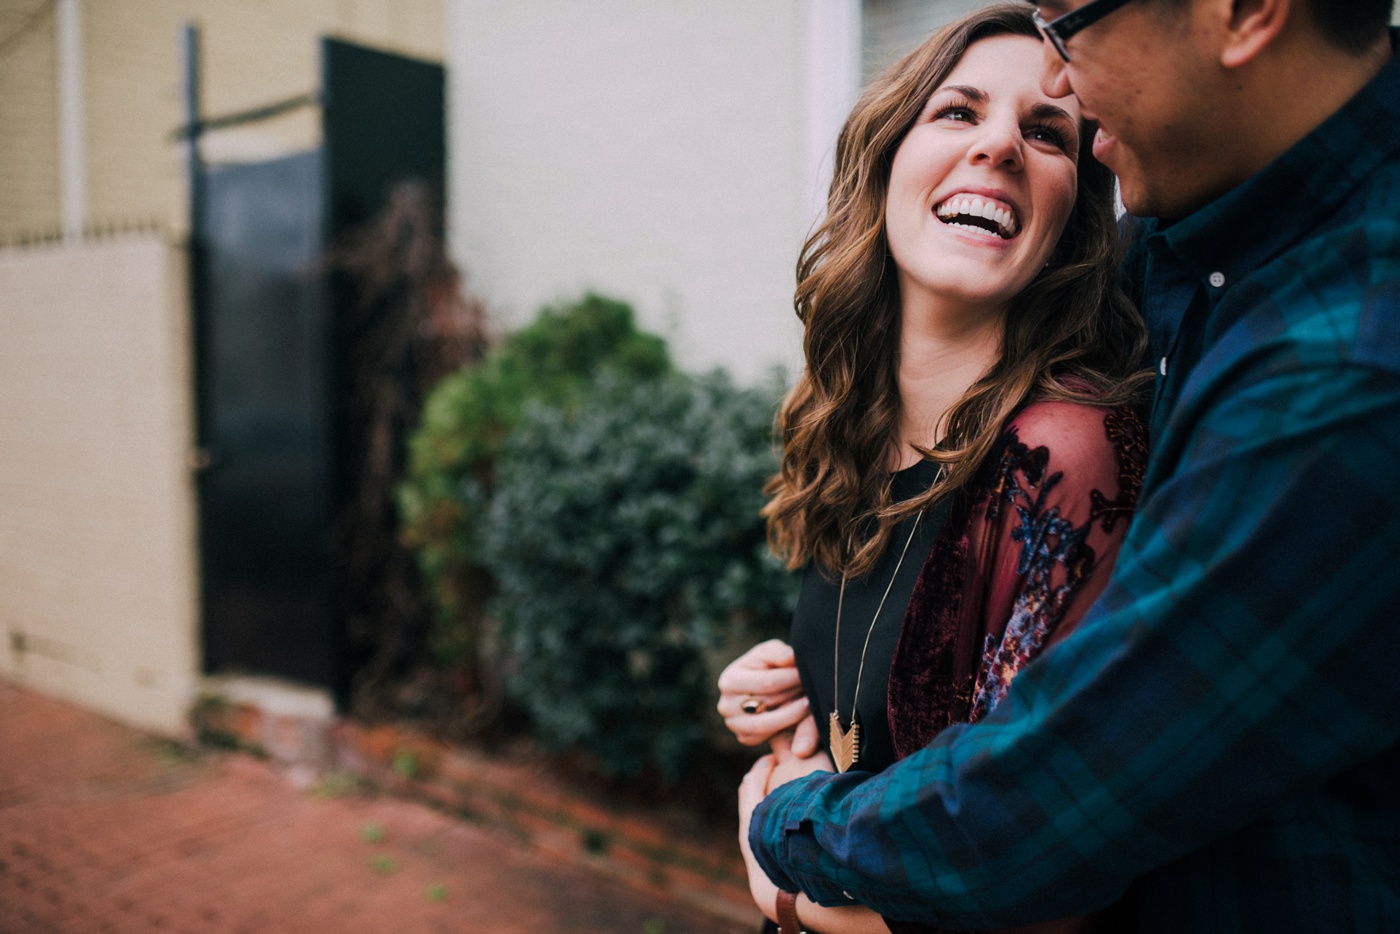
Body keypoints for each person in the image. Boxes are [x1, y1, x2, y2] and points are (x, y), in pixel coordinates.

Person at [732, 0, 1400, 930]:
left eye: (1066, 18)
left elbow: (1039, 814)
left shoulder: (1343, 362)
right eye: (956, 111)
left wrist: (782, 836)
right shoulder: (1195, 244)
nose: (1056, 78)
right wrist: (802, 701)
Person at [719, 6, 1151, 931]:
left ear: (1074, 216)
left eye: (1048, 132)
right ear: (885, 162)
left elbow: (1039, 877)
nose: (999, 146)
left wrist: (786, 888)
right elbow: (865, 735)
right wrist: (783, 700)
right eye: (958, 112)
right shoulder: (848, 419)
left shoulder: (1062, 461)